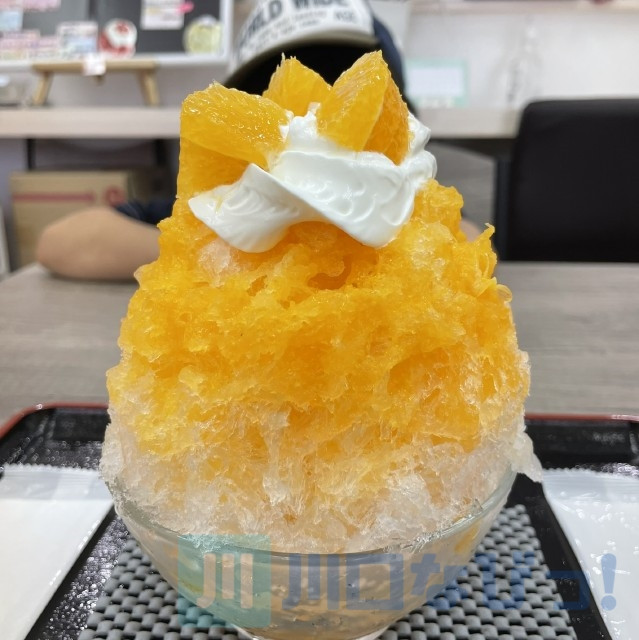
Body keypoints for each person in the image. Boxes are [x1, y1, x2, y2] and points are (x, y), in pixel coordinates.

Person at [36, 0, 479, 281]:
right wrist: (215, 250)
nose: (312, 117)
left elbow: (471, 240)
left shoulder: (405, 208)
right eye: (276, 99)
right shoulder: (226, 205)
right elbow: (61, 241)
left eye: (338, 81)